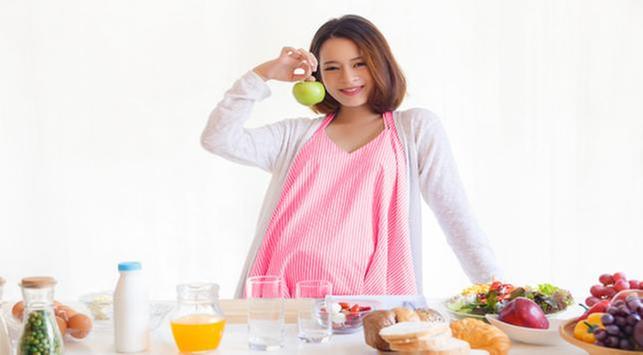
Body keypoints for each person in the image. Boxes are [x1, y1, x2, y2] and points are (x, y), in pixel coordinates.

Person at [201, 14, 502, 298]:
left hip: (376, 304)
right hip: (285, 302)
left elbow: (454, 213)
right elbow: (218, 138)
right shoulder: (294, 136)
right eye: (332, 67)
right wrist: (262, 74)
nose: (347, 78)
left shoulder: (414, 129)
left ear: (380, 64)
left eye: (360, 64)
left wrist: (499, 292)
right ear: (317, 76)